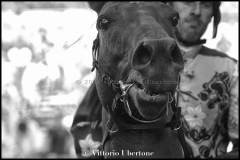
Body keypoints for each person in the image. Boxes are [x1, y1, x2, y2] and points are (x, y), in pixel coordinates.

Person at [71, 2, 238, 158]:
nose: (196, 11)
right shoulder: (120, 63)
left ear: (213, 15)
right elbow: (85, 125)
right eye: (187, 1)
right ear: (171, 5)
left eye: (206, 4)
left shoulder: (230, 69)